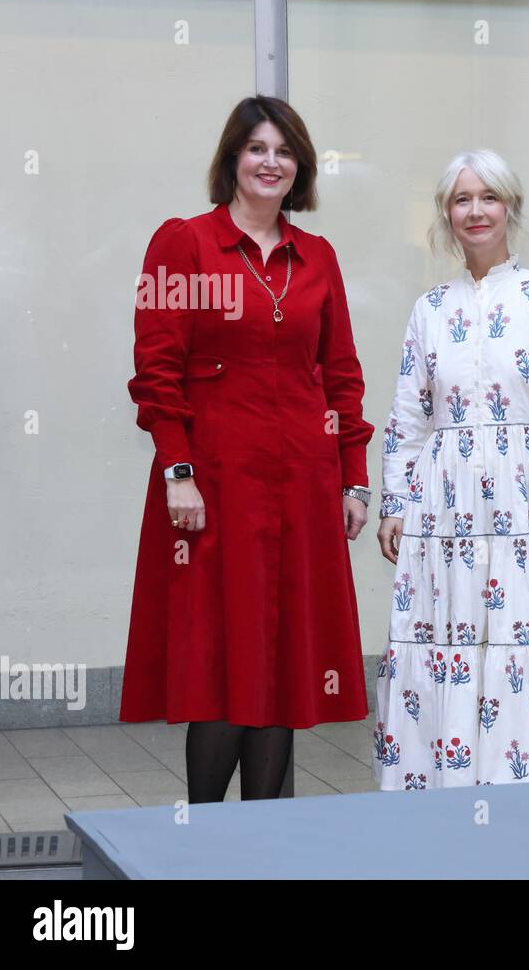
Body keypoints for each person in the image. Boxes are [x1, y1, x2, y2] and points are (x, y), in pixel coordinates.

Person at [121, 96, 375, 804]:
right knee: (221, 662)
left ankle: (266, 840)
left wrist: (353, 480)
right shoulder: (182, 243)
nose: (271, 162)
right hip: (215, 486)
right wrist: (179, 472)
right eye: (257, 148)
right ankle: (206, 835)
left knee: (283, 663)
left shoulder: (317, 257)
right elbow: (157, 372)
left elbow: (341, 376)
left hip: (302, 483)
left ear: (301, 169)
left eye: (285, 151)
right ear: (233, 158)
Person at [372, 149, 529, 788]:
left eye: (488, 197)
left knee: (523, 638)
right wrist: (395, 500)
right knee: (448, 639)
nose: (475, 211)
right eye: (461, 199)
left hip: (526, 502)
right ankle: (444, 792)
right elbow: (409, 413)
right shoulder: (429, 309)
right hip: (444, 506)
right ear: (445, 215)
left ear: (510, 207)